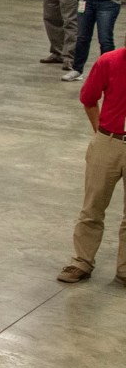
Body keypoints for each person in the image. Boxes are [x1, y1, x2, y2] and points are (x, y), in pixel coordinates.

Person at [62, 42, 126, 284]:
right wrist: (101, 132)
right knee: (92, 207)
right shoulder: (108, 62)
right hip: (109, 141)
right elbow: (89, 98)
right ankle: (82, 261)